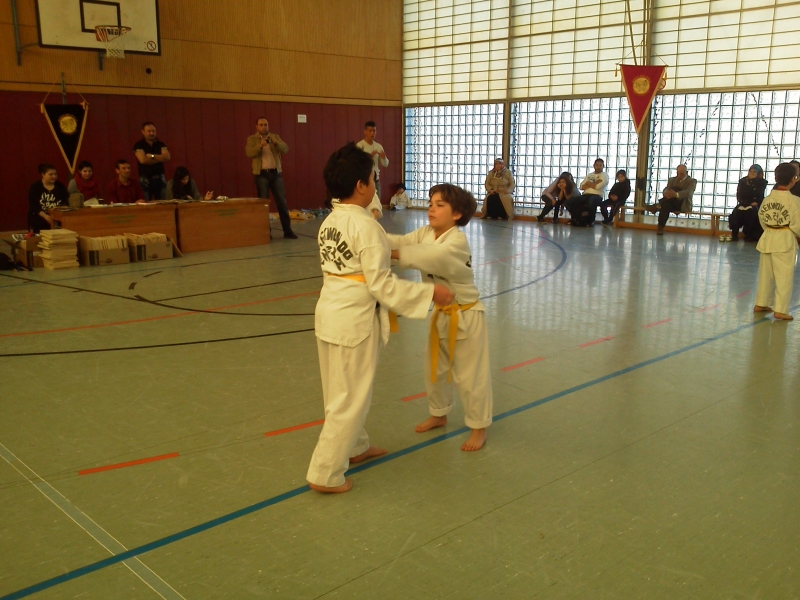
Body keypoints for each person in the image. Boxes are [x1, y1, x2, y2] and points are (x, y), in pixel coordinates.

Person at [306, 143, 454, 494]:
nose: (375, 184)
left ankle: (355, 447)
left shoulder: (330, 221)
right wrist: (429, 293)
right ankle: (325, 473)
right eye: (373, 179)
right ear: (361, 186)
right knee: (350, 398)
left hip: (330, 313)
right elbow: (383, 286)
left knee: (339, 391)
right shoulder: (366, 227)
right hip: (354, 319)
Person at [387, 184, 492, 452]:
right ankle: (439, 413)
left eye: (440, 205)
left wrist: (382, 252)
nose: (431, 209)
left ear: (457, 214)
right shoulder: (426, 233)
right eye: (431, 203)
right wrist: (369, 236)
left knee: (471, 376)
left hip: (466, 315)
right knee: (435, 370)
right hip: (441, 313)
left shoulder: (456, 242)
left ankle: (478, 427)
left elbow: (429, 256)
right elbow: (400, 242)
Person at [753, 162, 800, 321]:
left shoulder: (768, 199)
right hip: (784, 239)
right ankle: (780, 309)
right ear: (793, 179)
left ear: (776, 178)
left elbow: (761, 218)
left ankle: (761, 303)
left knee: (765, 274)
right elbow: (797, 224)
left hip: (768, 237)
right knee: (784, 276)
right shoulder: (794, 201)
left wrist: (771, 229)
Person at [246, 117, 297, 239]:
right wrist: (260, 145)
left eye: (266, 125)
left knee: (282, 203)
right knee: (264, 204)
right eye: (261, 125)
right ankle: (266, 232)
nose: (264, 127)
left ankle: (288, 231)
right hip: (261, 174)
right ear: (256, 127)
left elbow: (285, 149)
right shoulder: (252, 139)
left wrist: (276, 143)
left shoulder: (275, 137)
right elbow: (249, 153)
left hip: (275, 174)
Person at [645, 164, 697, 235]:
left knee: (676, 189)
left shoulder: (692, 181)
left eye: (681, 174)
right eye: (678, 173)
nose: (679, 176)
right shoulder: (672, 180)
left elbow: (689, 192)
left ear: (686, 173)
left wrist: (676, 194)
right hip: (670, 203)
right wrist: (666, 193)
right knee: (666, 205)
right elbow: (666, 189)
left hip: (682, 204)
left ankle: (657, 206)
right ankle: (660, 227)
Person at [133, 121, 170, 200]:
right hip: (145, 178)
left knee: (163, 203)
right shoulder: (139, 145)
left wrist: (152, 156)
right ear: (143, 132)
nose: (152, 133)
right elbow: (143, 160)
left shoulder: (160, 144)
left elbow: (167, 157)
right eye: (149, 131)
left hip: (159, 177)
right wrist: (160, 158)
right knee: (145, 202)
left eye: (153, 131)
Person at [729, 165, 767, 241]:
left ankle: (748, 235)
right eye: (750, 171)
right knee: (736, 213)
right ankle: (734, 234)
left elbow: (758, 194)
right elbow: (739, 195)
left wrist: (752, 181)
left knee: (751, 213)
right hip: (744, 203)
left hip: (755, 204)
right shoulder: (742, 181)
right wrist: (747, 203)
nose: (751, 173)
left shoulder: (762, 182)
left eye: (754, 172)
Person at [28, 164, 68, 233]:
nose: (54, 176)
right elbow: (34, 206)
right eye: (50, 174)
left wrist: (56, 213)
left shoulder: (60, 186)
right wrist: (46, 216)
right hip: (40, 218)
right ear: (43, 174)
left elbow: (65, 202)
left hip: (57, 218)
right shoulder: (35, 187)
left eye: (55, 174)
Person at [565, 158, 607, 225]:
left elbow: (598, 187)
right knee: (568, 202)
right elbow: (581, 186)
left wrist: (588, 183)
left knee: (591, 201)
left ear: (603, 166)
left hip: (597, 196)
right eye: (597, 165)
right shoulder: (589, 175)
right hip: (585, 195)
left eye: (600, 165)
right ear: (594, 166)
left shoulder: (604, 175)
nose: (598, 167)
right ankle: (577, 217)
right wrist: (594, 183)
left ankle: (591, 220)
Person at [356, 121, 389, 199]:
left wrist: (384, 157)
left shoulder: (378, 146)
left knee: (377, 201)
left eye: (374, 131)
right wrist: (369, 156)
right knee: (365, 201)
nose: (372, 133)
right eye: (370, 131)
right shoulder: (359, 146)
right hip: (364, 180)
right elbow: (357, 163)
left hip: (376, 179)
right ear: (365, 132)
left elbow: (385, 164)